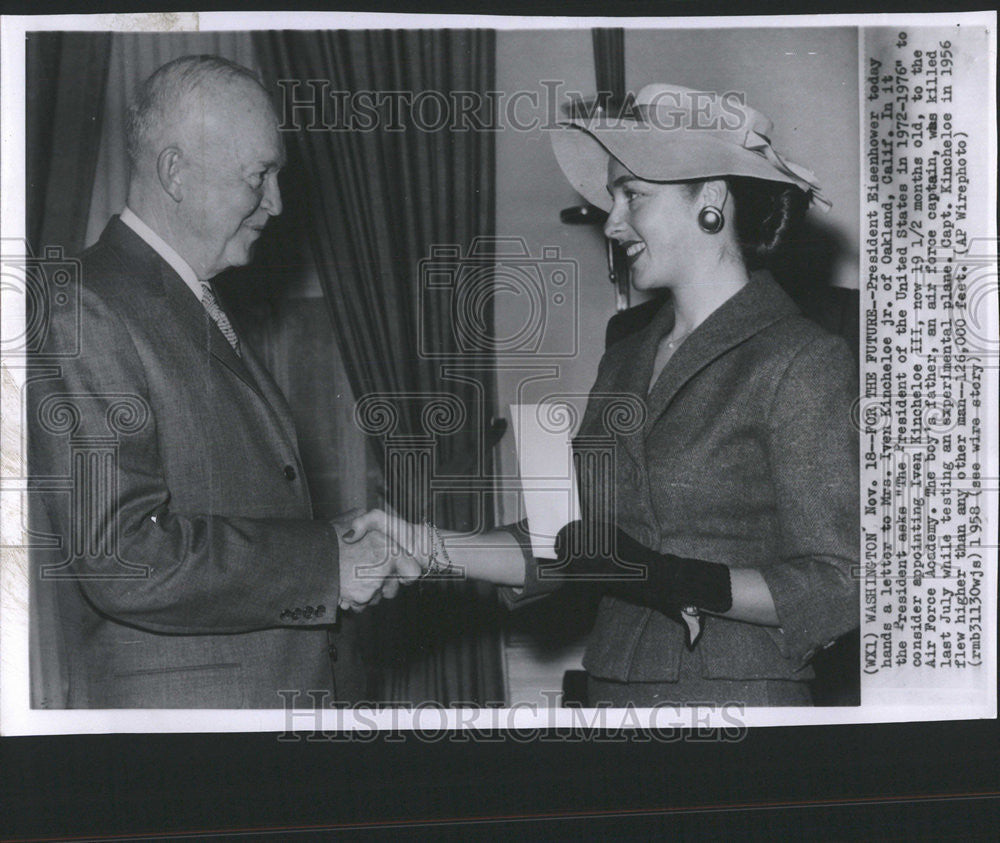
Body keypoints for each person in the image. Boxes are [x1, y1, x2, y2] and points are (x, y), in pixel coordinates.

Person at [348, 83, 859, 707]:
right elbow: (568, 543)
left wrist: (668, 578)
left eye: (632, 196)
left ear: (713, 201)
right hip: (611, 692)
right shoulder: (624, 359)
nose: (612, 222)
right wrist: (423, 546)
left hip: (738, 701)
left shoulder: (801, 360)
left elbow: (840, 584)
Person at [28, 55, 415, 708]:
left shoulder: (185, 303)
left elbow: (225, 505)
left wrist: (337, 545)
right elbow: (122, 555)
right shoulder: (85, 307)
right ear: (175, 171)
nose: (277, 203)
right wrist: (323, 566)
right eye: (259, 176)